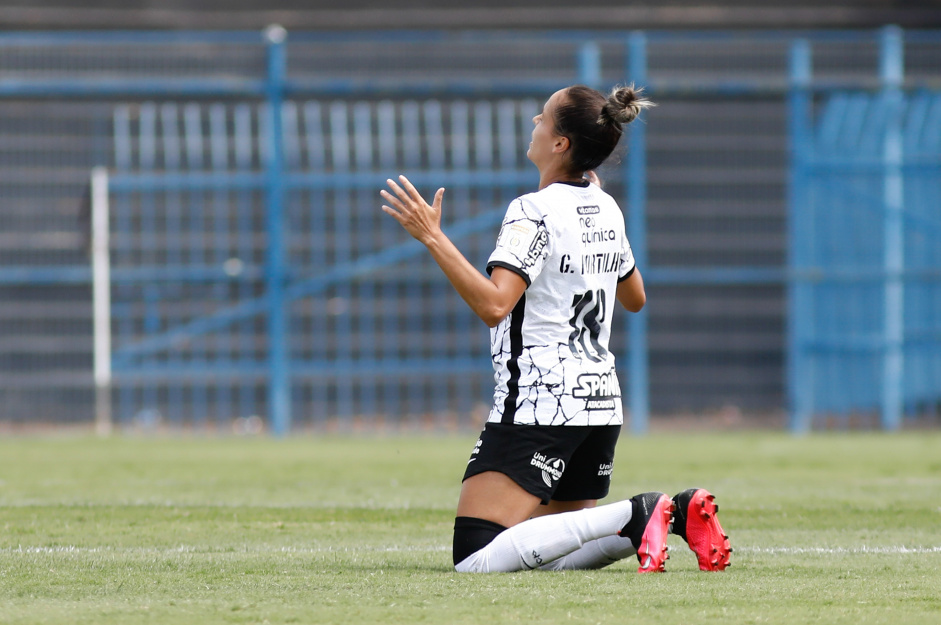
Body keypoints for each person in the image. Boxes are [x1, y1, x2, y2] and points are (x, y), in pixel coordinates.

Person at [380, 84, 731, 573]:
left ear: (562, 143)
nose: (535, 125)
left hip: (542, 402)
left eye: (543, 119)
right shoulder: (605, 207)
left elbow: (494, 305)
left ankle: (639, 512)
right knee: (543, 556)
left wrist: (432, 236)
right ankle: (667, 513)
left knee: (475, 558)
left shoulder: (533, 209)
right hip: (600, 403)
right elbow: (635, 298)